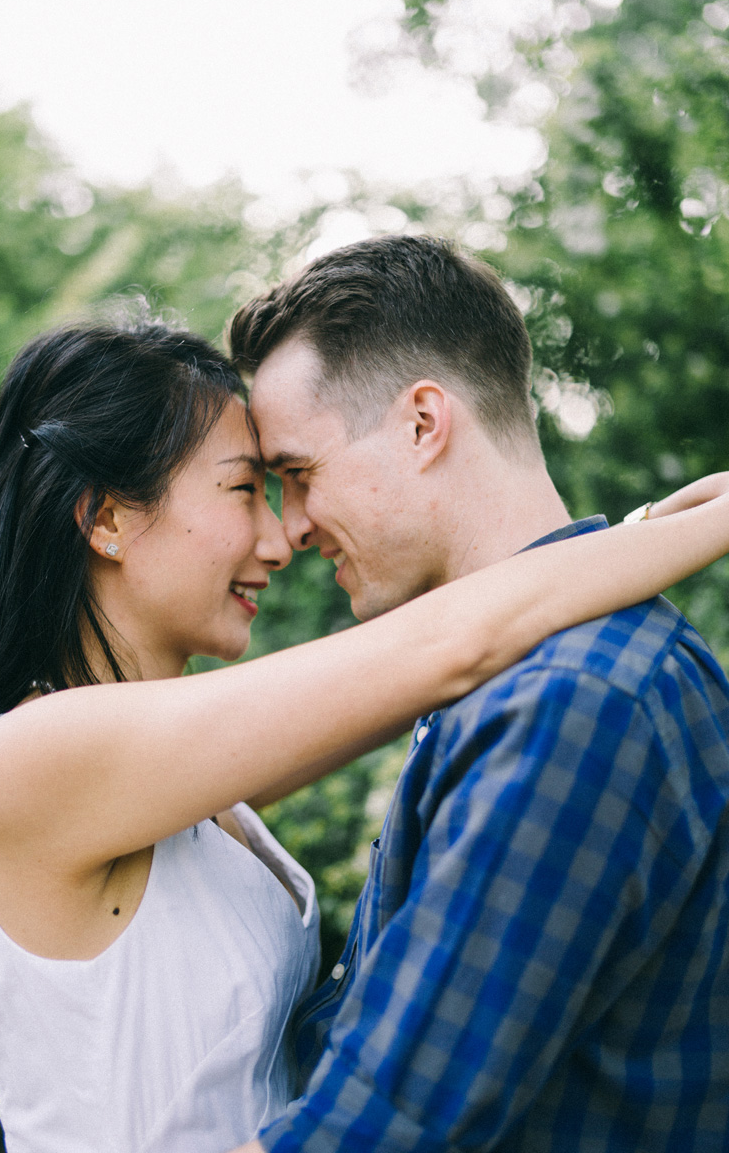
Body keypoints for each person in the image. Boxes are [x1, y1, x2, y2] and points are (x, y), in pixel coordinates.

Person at [225, 235, 729, 1153]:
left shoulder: (570, 707)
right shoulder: (524, 680)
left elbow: (378, 1132)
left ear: (424, 423)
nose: (291, 528)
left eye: (299, 476)